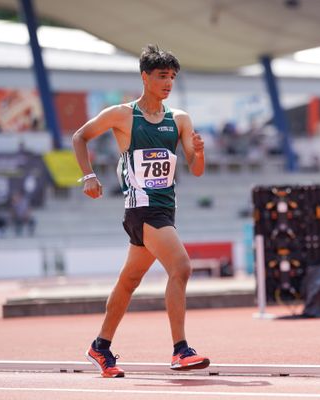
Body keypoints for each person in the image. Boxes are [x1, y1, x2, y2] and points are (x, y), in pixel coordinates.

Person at [72, 45, 209, 378]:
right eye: (162, 76)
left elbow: (196, 168)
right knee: (181, 267)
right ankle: (180, 350)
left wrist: (200, 152)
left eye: (172, 77)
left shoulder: (179, 119)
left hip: (165, 208)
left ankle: (100, 347)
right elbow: (80, 136)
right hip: (141, 208)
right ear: (145, 77)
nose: (168, 83)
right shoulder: (122, 114)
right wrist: (89, 176)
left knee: (128, 281)